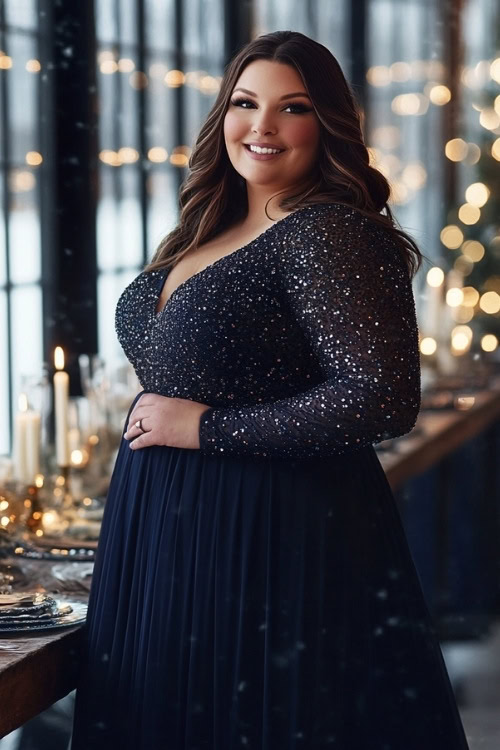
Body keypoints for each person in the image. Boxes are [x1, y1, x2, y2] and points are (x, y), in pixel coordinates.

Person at [70, 30, 470, 750]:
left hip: (265, 537)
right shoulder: (209, 227)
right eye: (245, 103)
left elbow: (380, 397)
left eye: (294, 108)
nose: (261, 127)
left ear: (329, 126)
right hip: (168, 531)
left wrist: (207, 430)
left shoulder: (325, 232)